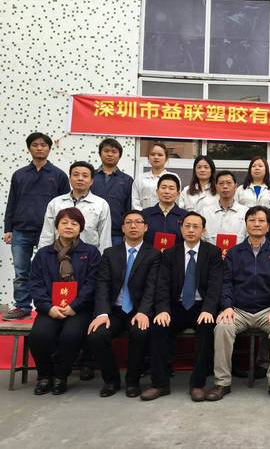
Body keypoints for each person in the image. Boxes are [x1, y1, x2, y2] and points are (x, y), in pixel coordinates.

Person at [207, 206, 270, 402]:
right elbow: (226, 283)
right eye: (252, 220)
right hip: (239, 310)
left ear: (268, 226)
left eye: (261, 220)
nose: (256, 224)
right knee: (222, 327)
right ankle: (222, 382)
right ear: (246, 225)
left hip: (268, 309)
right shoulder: (234, 252)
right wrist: (227, 306)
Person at [141, 212, 223, 401]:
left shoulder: (213, 252)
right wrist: (163, 310)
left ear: (203, 230)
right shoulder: (170, 253)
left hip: (201, 306)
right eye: (187, 226)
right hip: (175, 306)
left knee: (206, 328)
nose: (191, 230)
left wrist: (208, 310)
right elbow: (162, 285)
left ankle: (197, 384)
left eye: (196, 226)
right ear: (181, 229)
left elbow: (215, 285)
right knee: (158, 327)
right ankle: (160, 384)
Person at [87, 210, 161, 398]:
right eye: (129, 222)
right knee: (97, 334)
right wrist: (102, 313)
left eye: (138, 222)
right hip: (114, 310)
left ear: (146, 227)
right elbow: (102, 285)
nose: (133, 226)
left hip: (138, 310)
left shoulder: (153, 254)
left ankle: (132, 381)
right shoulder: (110, 253)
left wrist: (144, 311)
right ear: (122, 228)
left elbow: (152, 286)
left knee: (140, 332)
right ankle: (111, 380)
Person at [28, 207, 101, 395]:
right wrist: (48, 307)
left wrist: (74, 306)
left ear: (81, 228)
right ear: (56, 226)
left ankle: (61, 375)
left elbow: (92, 284)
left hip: (78, 309)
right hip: (50, 308)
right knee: (39, 335)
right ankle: (44, 376)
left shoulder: (91, 253)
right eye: (64, 223)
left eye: (74, 223)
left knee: (71, 335)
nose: (69, 226)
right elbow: (35, 284)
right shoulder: (43, 254)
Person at [2, 132, 70, 320]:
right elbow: (12, 202)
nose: (39, 148)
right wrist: (8, 229)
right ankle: (22, 306)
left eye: (43, 145)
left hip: (48, 232)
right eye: (35, 145)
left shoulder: (59, 175)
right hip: (21, 231)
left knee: (50, 270)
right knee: (21, 272)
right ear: (29, 148)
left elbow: (65, 206)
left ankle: (49, 306)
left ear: (49, 148)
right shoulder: (19, 175)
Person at [39, 161, 112, 253]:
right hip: (58, 254)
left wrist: (103, 259)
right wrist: (43, 256)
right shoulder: (55, 203)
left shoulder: (101, 204)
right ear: (70, 179)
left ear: (91, 181)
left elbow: (105, 238)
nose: (80, 178)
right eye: (76, 175)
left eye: (85, 176)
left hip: (89, 256)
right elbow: (47, 234)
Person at [90, 138, 134, 246]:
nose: (110, 154)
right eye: (106, 151)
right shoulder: (90, 176)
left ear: (119, 156)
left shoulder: (127, 180)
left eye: (114, 152)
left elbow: (129, 208)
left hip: (116, 233)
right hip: (91, 230)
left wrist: (127, 231)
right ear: (100, 154)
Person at [202, 171, 249, 247]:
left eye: (229, 183)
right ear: (216, 187)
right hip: (211, 254)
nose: (225, 186)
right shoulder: (205, 212)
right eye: (221, 183)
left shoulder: (246, 212)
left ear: (235, 187)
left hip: (238, 254)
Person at [142, 174, 187, 248]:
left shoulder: (185, 216)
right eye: (163, 187)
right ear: (157, 192)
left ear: (178, 193)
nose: (167, 191)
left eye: (171, 188)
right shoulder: (145, 214)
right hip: (150, 254)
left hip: (177, 255)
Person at [132, 142, 179, 210]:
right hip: (143, 215)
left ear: (166, 158)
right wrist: (142, 215)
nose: (156, 157)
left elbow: (177, 201)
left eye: (160, 155)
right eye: (152, 154)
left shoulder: (173, 177)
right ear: (148, 158)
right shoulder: (140, 178)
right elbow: (135, 202)